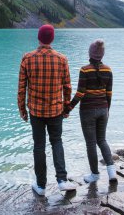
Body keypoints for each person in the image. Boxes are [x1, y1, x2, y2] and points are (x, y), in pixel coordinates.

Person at [18, 24, 76, 196]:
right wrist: (67, 108)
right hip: (56, 110)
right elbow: (67, 87)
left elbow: (22, 88)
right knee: (57, 141)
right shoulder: (62, 59)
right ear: (52, 39)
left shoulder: (27, 58)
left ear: (38, 38)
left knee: (39, 147)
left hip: (36, 111)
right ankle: (62, 180)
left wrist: (22, 109)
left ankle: (41, 186)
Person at [64, 39, 117, 183]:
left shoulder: (84, 70)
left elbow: (80, 93)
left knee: (91, 143)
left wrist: (68, 108)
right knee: (102, 140)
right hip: (103, 109)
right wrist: (107, 110)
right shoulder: (108, 70)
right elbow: (109, 93)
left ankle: (94, 175)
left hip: (88, 111)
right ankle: (112, 172)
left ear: (90, 53)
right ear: (102, 54)